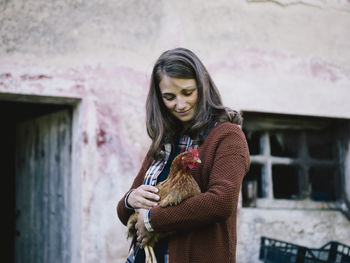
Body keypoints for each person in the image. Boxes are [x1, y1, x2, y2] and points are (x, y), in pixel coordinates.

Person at [117, 47, 250, 263]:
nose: (180, 104)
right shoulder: (163, 142)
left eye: (187, 93)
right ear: (159, 99)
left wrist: (152, 220)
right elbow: (125, 214)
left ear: (202, 86)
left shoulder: (227, 136)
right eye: (169, 97)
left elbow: (221, 202)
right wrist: (130, 200)